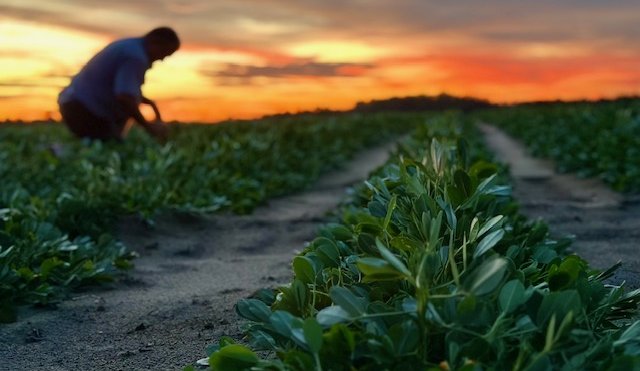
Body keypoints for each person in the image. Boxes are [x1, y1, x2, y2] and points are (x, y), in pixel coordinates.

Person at [58, 27, 180, 142]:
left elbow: (121, 89)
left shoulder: (129, 45)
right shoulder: (136, 57)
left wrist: (151, 104)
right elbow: (125, 97)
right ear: (156, 42)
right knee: (108, 147)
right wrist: (149, 127)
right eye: (166, 53)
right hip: (84, 110)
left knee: (100, 144)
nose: (162, 59)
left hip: (72, 103)